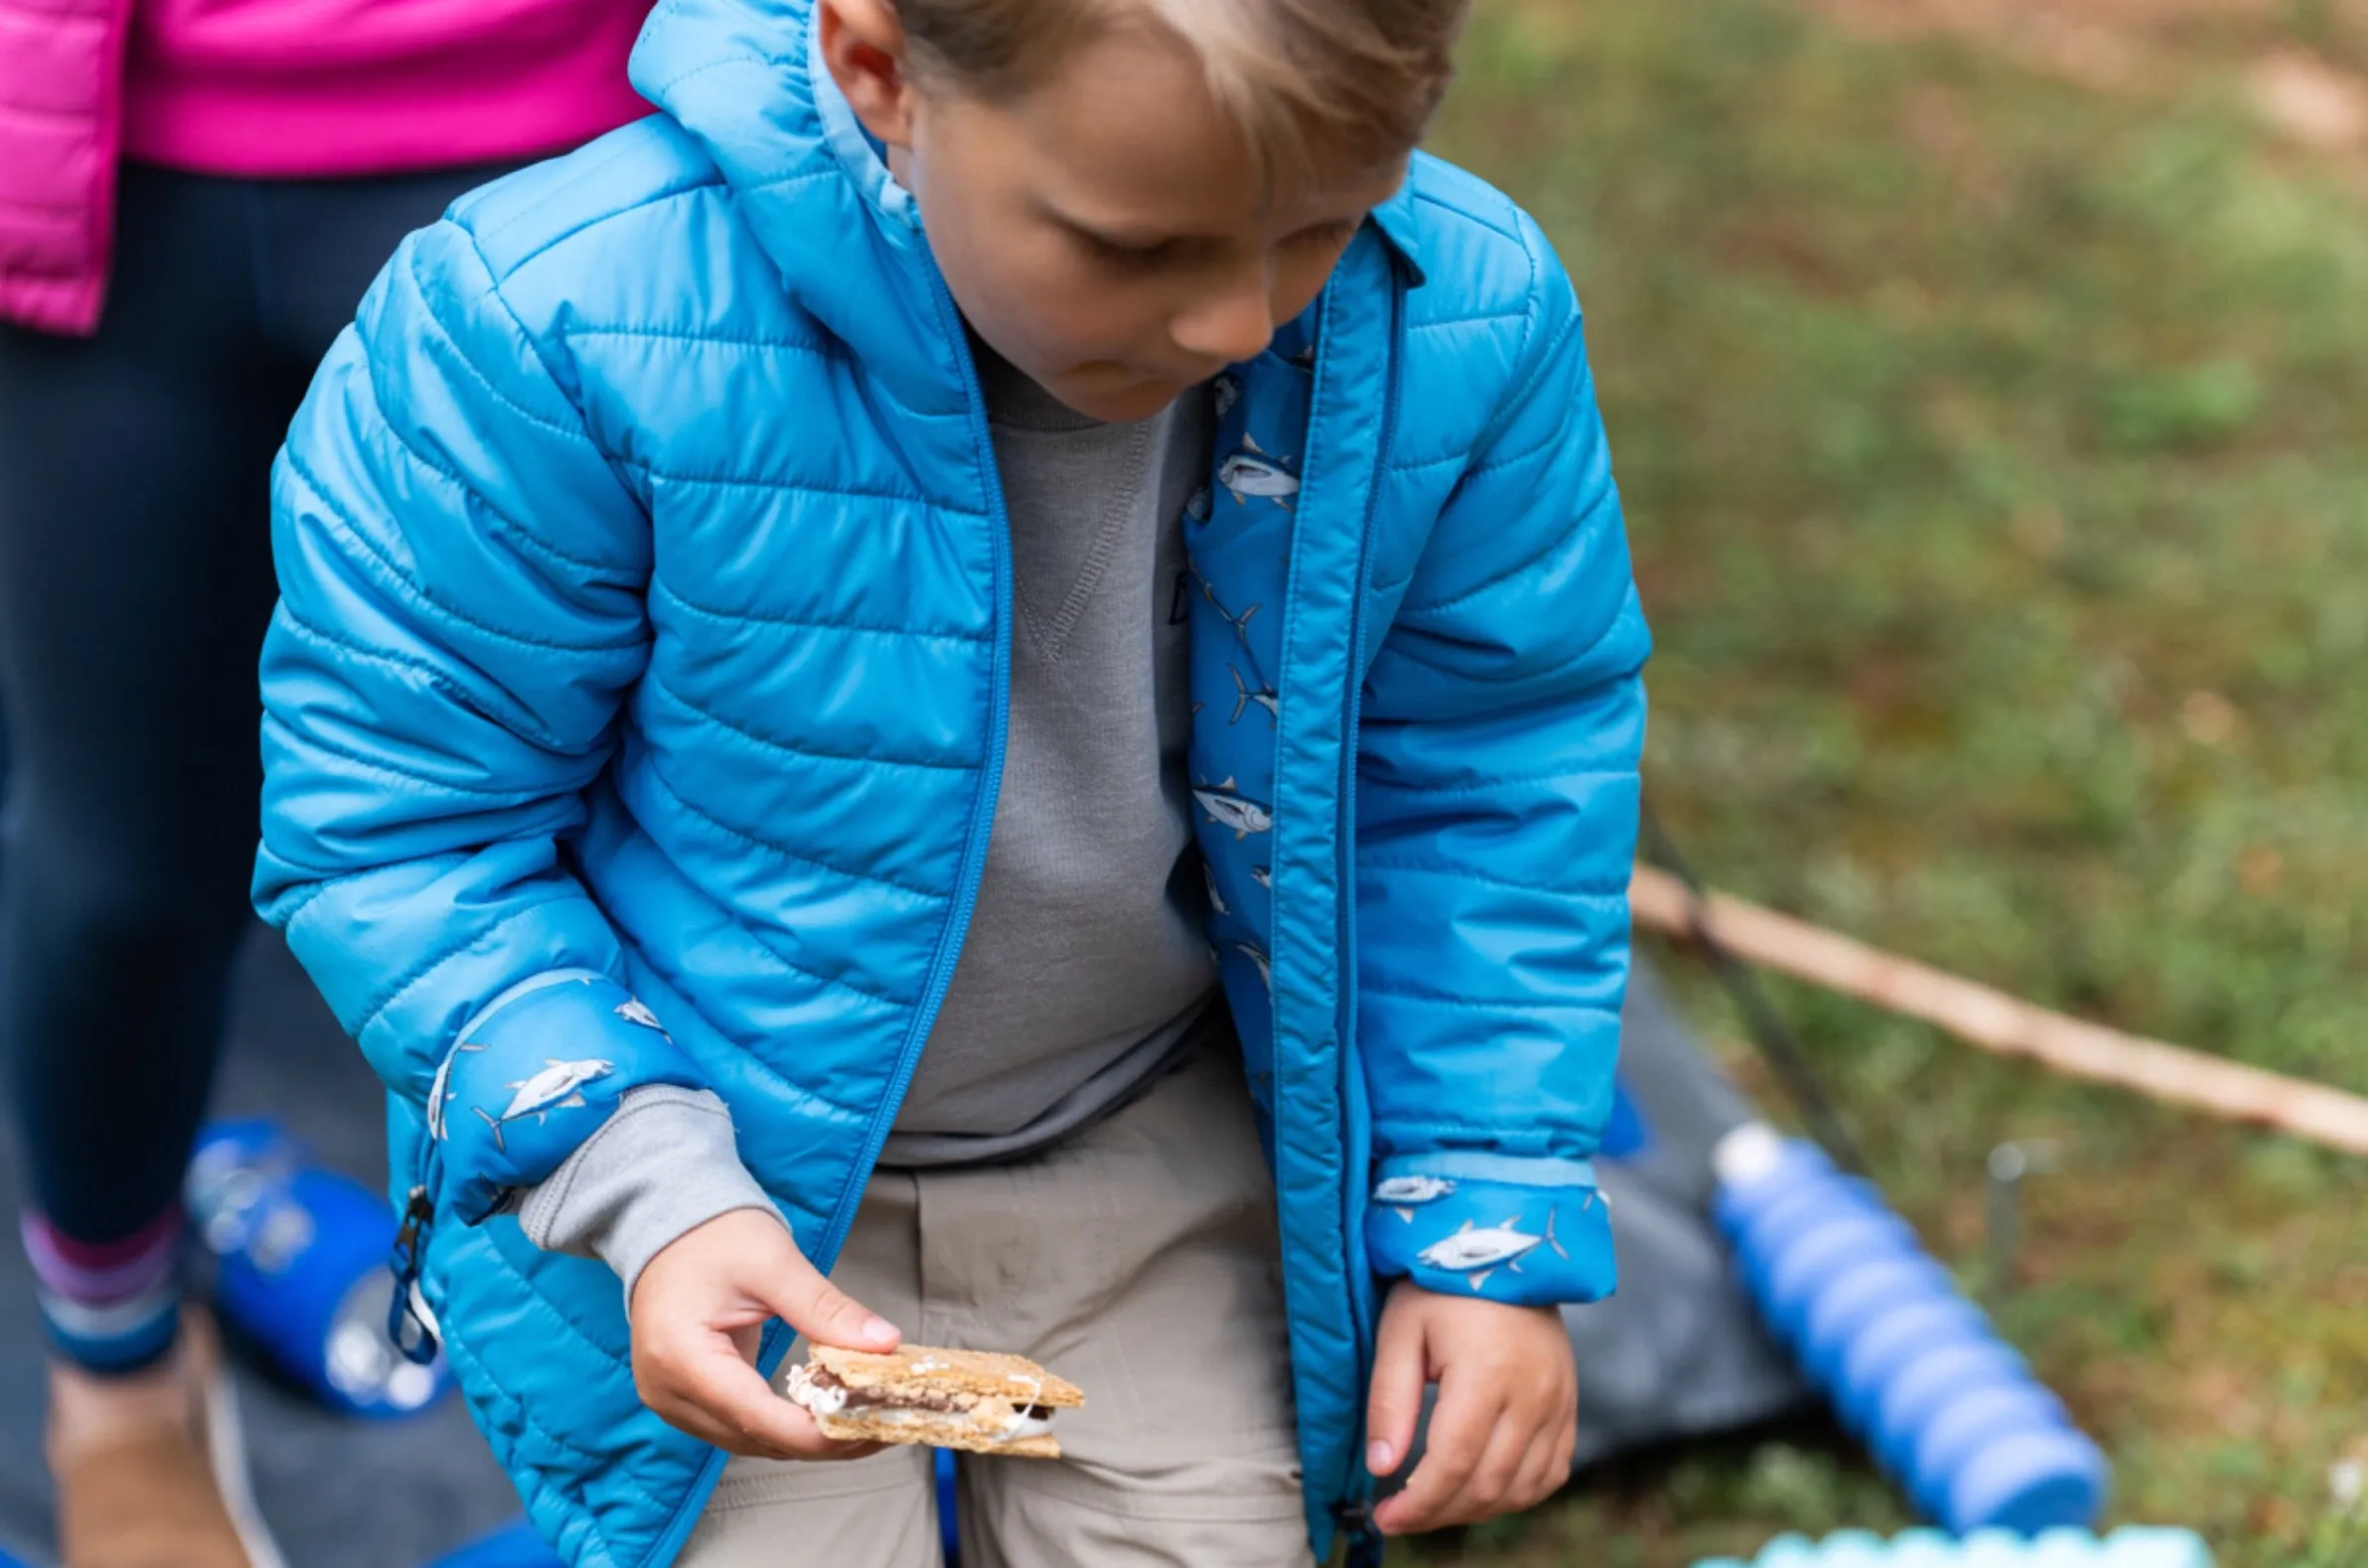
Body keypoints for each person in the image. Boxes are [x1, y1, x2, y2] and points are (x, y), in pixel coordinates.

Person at [253, 0, 1653, 1561]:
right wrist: (645, 1189)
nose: (1236, 325)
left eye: (1320, 225)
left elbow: (1488, 777)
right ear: (878, 72)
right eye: (1134, 248)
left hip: (1161, 1161)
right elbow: (406, 828)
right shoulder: (546, 322)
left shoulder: (1459, 312)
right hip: (708, 1186)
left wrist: (1483, 1213)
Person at [0, 3, 658, 1564]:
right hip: (111, 165)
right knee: (116, 892)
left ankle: (630, 1372)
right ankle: (117, 1381)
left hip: (578, 129)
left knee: (621, 852)